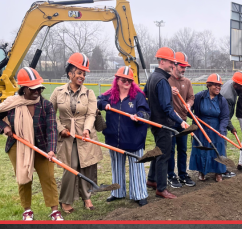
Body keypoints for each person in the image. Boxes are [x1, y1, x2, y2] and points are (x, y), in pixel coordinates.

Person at [0, 67, 63, 221]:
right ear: (24, 88)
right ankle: (27, 210)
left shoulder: (46, 105)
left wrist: (51, 150)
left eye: (39, 88)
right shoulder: (12, 103)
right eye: (33, 88)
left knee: (48, 177)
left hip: (42, 146)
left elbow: (52, 129)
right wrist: (5, 127)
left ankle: (55, 211)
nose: (37, 91)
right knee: (24, 178)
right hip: (18, 146)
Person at [50, 52, 102, 213]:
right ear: (70, 73)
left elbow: (91, 114)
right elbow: (51, 114)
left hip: (84, 135)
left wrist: (86, 129)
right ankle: (65, 200)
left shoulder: (89, 93)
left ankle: (87, 197)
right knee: (71, 166)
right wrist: (60, 129)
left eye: (84, 73)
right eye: (79, 72)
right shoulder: (58, 92)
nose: (82, 76)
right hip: (67, 137)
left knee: (86, 165)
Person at [97, 66, 150, 207]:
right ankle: (117, 193)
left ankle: (139, 194)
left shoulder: (138, 96)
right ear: (117, 81)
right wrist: (105, 104)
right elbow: (98, 101)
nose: (126, 83)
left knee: (136, 167)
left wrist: (139, 116)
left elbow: (146, 112)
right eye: (123, 80)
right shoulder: (110, 95)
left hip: (134, 139)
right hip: (114, 139)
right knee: (116, 166)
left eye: (129, 80)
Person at [144, 47, 190, 199]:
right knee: (164, 155)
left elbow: (144, 94)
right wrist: (181, 122)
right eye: (170, 62)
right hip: (163, 124)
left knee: (158, 151)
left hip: (154, 122)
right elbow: (167, 108)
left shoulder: (152, 77)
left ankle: (151, 180)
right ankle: (161, 188)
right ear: (162, 61)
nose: (172, 65)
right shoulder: (163, 81)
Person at [189, 74, 230, 182]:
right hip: (201, 129)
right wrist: (194, 117)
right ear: (209, 85)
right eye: (215, 85)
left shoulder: (222, 100)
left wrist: (221, 130)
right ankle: (202, 172)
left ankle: (218, 172)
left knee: (218, 150)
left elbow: (225, 117)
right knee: (202, 148)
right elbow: (189, 110)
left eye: (219, 85)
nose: (218, 87)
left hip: (216, 129)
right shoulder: (199, 97)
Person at [168, 52, 196, 188]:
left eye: (185, 67)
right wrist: (168, 91)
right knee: (171, 149)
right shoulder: (167, 81)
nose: (184, 69)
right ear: (174, 65)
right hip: (171, 121)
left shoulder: (187, 82)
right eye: (182, 66)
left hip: (183, 121)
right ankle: (171, 175)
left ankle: (183, 174)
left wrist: (189, 104)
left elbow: (191, 97)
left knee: (183, 149)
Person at [220, 71, 242, 177]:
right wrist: (231, 127)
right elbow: (225, 116)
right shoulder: (229, 97)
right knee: (221, 145)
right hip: (220, 122)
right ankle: (222, 170)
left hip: (220, 119)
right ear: (236, 85)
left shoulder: (231, 83)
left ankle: (217, 169)